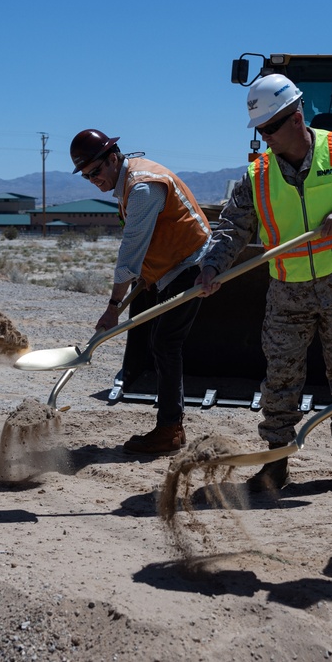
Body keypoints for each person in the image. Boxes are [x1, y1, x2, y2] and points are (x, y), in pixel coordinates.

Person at [196, 74, 332, 494]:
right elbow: (231, 229)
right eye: (262, 130)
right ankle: (276, 461)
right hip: (288, 290)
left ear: (297, 116)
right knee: (279, 376)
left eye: (272, 126)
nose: (267, 137)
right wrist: (210, 267)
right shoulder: (256, 176)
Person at [70, 129, 211, 457]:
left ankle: (169, 430)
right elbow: (146, 246)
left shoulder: (143, 187)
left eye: (97, 171)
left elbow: (129, 252)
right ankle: (171, 427)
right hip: (173, 266)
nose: (94, 180)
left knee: (165, 342)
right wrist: (146, 277)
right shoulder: (127, 181)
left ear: (113, 157)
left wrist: (113, 305)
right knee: (163, 342)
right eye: (87, 176)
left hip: (194, 264)